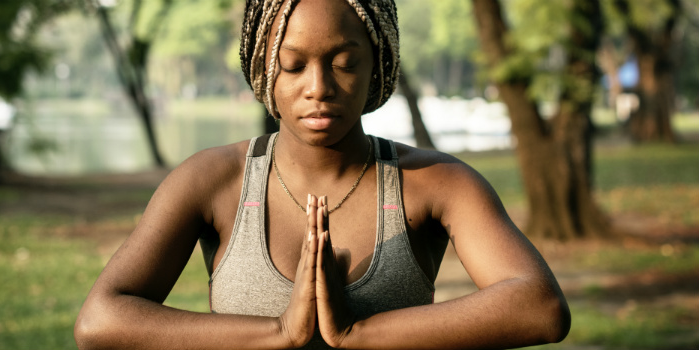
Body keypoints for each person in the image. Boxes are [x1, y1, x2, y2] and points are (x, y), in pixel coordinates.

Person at [74, 0, 571, 348]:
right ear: (263, 68)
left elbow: (540, 307)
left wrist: (359, 333)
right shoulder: (214, 181)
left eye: (344, 63)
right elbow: (100, 319)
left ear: (379, 63)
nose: (319, 87)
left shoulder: (434, 183)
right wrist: (279, 333)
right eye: (293, 66)